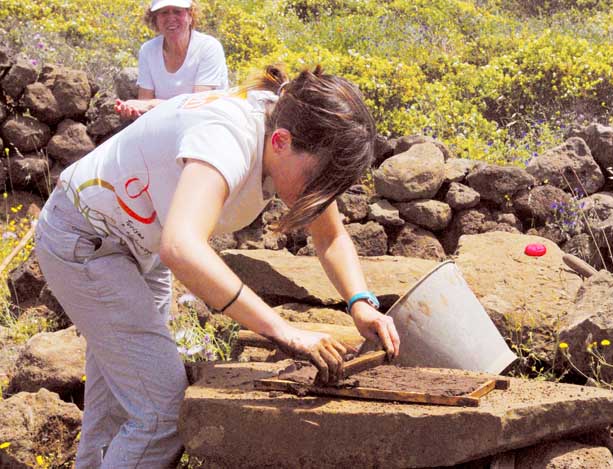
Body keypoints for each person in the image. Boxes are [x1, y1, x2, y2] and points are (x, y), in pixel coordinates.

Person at [34, 64, 401, 468]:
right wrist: (284, 331)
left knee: (125, 399)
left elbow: (329, 237)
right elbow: (182, 247)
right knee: (158, 412)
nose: (322, 196)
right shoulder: (226, 137)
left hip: (138, 244)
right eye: (320, 182)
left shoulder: (288, 125)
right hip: (86, 240)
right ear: (281, 142)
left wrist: (360, 301)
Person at [115, 0, 229, 119]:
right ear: (155, 20)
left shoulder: (208, 47)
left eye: (177, 11)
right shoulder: (148, 50)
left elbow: (198, 106)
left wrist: (149, 105)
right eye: (164, 13)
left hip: (207, 123)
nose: (171, 18)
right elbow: (144, 105)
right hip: (164, 123)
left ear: (191, 16)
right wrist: (133, 111)